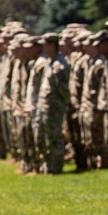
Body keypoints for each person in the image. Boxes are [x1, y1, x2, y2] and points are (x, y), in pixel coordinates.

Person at [34, 33, 70, 174]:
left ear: (52, 46)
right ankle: (47, 165)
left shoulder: (59, 65)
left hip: (53, 107)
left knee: (54, 138)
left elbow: (64, 89)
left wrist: (62, 104)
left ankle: (56, 167)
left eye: (45, 44)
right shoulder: (48, 62)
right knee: (42, 136)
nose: (42, 47)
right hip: (44, 106)